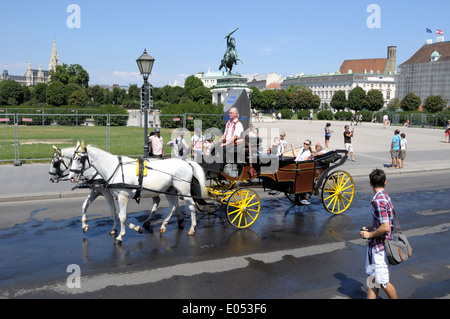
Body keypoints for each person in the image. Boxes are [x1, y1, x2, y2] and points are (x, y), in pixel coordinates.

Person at [360, 169, 398, 299]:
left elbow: (386, 227)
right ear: (385, 182)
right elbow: (384, 222)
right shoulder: (384, 196)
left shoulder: (379, 201)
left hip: (379, 248)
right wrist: (371, 227)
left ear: (370, 183)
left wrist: (369, 235)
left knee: (383, 282)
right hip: (375, 247)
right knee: (373, 281)